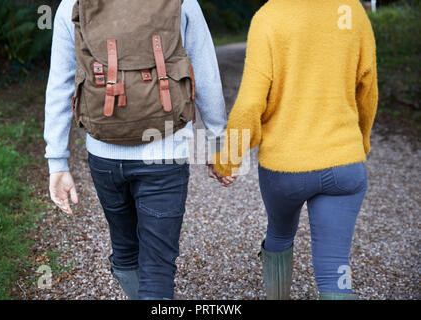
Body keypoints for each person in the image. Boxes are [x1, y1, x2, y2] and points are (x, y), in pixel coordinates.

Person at [45, 0, 227, 300]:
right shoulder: (184, 2)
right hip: (166, 151)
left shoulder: (72, 4)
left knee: (126, 254)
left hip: (104, 154)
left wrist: (57, 162)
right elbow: (206, 73)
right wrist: (218, 143)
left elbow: (60, 84)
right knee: (157, 269)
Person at [212, 0, 378, 300]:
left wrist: (228, 159)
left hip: (285, 169)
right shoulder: (352, 10)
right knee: (335, 267)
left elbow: (250, 102)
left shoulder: (269, 16)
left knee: (279, 233)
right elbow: (367, 90)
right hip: (344, 164)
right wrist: (360, 143)